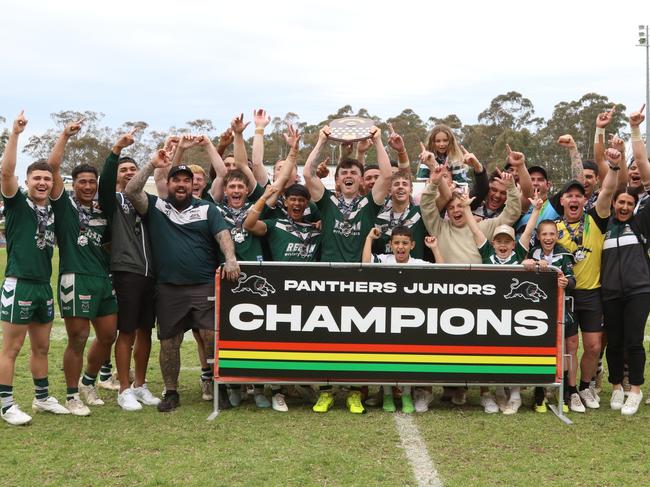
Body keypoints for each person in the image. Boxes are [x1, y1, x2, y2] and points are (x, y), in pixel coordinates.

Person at [125, 148, 240, 413]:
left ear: (192, 185)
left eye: (186, 180)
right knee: (169, 342)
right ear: (168, 183)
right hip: (169, 288)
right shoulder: (157, 207)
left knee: (212, 336)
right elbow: (132, 191)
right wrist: (151, 164)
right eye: (176, 180)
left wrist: (230, 258)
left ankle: (216, 386)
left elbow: (223, 234)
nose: (181, 184)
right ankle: (171, 391)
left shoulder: (207, 209)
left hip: (203, 286)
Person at [303, 125, 392, 414]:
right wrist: (320, 141)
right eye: (344, 173)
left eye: (354, 172)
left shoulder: (369, 204)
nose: (349, 176)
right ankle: (326, 391)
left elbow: (388, 176)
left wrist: (378, 141)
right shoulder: (327, 202)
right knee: (326, 336)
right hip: (328, 278)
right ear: (337, 181)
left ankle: (354, 391)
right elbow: (307, 174)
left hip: (360, 279)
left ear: (360, 179)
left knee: (357, 338)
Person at [0, 111, 69, 425]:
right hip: (20, 283)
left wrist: (64, 138)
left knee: (41, 346)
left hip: (44, 284)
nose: (42, 182)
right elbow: (6, 171)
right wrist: (15, 135)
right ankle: (6, 404)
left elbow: (54, 165)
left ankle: (42, 398)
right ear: (26, 182)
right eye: (36, 178)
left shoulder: (53, 208)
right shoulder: (16, 203)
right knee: (11, 347)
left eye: (47, 179)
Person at [49, 119, 118, 417]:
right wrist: (64, 135)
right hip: (74, 278)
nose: (88, 186)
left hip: (103, 279)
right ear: (73, 184)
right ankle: (71, 394)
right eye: (82, 182)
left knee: (108, 336)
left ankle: (89, 383)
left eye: (92, 182)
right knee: (77, 338)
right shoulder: (64, 205)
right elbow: (52, 168)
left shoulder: (103, 209)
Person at [97, 129, 160, 411]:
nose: (128, 173)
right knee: (127, 332)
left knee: (146, 330)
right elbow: (107, 181)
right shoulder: (113, 202)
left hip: (151, 274)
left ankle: (140, 385)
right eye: (124, 170)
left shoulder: (146, 201)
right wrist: (115, 153)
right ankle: (123, 388)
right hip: (126, 272)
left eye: (132, 169)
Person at [554, 147, 620, 412]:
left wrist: (614, 167)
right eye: (569, 195)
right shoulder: (553, 230)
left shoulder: (596, 219)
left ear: (584, 201)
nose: (574, 199)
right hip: (566, 294)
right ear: (561, 202)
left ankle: (584, 386)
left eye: (578, 196)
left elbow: (607, 191)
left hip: (592, 293)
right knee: (570, 345)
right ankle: (569, 391)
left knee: (592, 346)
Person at [464, 192, 540, 414]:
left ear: (513, 243)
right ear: (494, 242)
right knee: (491, 352)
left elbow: (528, 231)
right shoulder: (487, 252)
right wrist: (467, 208)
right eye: (499, 241)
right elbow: (475, 230)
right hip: (491, 311)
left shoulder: (519, 252)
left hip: (515, 312)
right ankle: (497, 391)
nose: (503, 245)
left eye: (507, 241)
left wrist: (535, 209)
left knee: (515, 352)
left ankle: (515, 395)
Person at [600, 105, 650, 415]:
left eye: (629, 203)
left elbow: (643, 165)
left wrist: (633, 131)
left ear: (635, 206)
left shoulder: (641, 222)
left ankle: (636, 390)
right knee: (615, 342)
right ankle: (616, 386)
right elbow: (609, 186)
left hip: (639, 289)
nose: (624, 205)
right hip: (610, 292)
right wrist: (613, 160)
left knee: (634, 341)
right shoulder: (603, 222)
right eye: (620, 201)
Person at [362, 226, 441, 414]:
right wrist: (369, 239)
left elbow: (441, 270)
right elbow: (366, 263)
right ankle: (388, 394)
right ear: (390, 245)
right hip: (385, 317)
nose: (400, 247)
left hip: (408, 320)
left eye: (405, 243)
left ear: (412, 245)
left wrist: (435, 249)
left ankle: (406, 394)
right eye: (396, 243)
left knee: (407, 358)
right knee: (386, 357)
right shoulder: (384, 259)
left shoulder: (417, 263)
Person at [522, 219, 575, 413]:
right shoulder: (533, 252)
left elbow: (572, 280)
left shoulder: (564, 254)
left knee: (563, 351)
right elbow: (522, 268)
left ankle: (565, 395)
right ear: (538, 236)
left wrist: (565, 282)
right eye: (544, 234)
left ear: (557, 235)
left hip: (562, 310)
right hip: (539, 311)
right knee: (540, 349)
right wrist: (528, 263)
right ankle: (539, 395)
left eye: (552, 234)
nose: (548, 238)